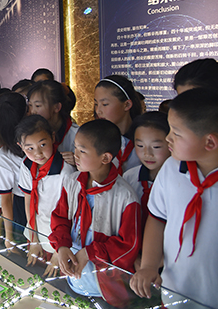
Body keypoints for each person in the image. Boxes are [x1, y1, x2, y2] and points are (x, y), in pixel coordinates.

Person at [130, 88, 218, 308]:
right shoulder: (171, 168)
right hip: (175, 292)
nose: (168, 137)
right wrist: (149, 265)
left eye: (176, 133)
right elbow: (157, 218)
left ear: (210, 142)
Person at [49, 119, 140, 306]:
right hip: (74, 279)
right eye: (75, 148)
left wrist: (90, 253)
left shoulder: (125, 197)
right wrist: (62, 246)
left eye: (82, 151)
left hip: (105, 288)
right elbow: (60, 218)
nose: (75, 155)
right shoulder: (72, 182)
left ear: (105, 158)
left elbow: (128, 246)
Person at [17, 115, 75, 277]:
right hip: (36, 232)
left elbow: (70, 214)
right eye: (30, 148)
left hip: (59, 241)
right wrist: (34, 238)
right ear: (21, 146)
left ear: (53, 138)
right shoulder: (26, 165)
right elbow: (28, 200)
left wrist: (59, 250)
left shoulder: (65, 172)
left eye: (43, 144)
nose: (38, 153)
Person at [0, 92, 27, 248]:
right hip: (37, 204)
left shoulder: (2, 156)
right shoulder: (40, 143)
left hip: (22, 207)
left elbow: (5, 200)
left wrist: (9, 237)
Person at [123, 112, 170, 223]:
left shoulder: (178, 180)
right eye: (140, 146)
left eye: (156, 147)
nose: (147, 153)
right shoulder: (129, 177)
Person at [94, 75, 142, 173]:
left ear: (127, 105)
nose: (98, 110)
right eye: (96, 104)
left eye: (105, 104)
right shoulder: (94, 138)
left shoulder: (142, 136)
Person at [27, 80, 78, 166]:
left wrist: (78, 162)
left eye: (38, 106)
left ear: (57, 107)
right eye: (30, 105)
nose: (32, 111)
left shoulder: (76, 134)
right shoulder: (29, 132)